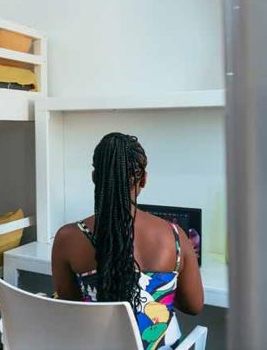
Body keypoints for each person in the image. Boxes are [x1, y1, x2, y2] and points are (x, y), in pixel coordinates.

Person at [51, 132, 203, 350]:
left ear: (95, 177)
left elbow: (71, 305)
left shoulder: (67, 238)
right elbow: (193, 306)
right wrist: (163, 291)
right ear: (143, 180)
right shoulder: (175, 236)